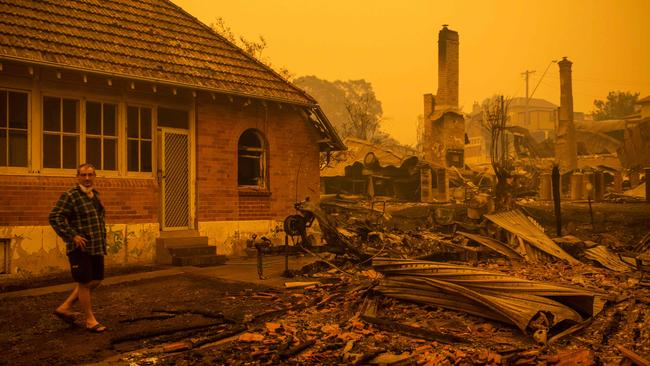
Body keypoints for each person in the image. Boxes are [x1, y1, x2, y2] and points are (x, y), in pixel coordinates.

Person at [49, 163, 108, 333]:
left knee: (96, 280)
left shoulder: (95, 195)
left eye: (90, 175)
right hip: (79, 248)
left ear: (94, 176)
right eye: (84, 175)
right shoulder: (70, 195)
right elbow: (55, 217)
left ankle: (65, 307)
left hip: (96, 246)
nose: (87, 178)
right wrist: (72, 235)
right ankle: (90, 320)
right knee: (84, 283)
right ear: (78, 177)